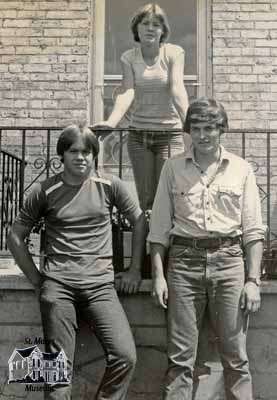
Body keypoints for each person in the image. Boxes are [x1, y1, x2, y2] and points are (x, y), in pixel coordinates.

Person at [7, 124, 145, 400]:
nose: (80, 157)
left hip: (100, 288)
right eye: (73, 151)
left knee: (125, 355)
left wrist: (134, 270)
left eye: (87, 151)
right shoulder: (46, 190)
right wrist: (37, 280)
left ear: (94, 155)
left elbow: (139, 222)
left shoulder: (110, 186)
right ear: (62, 155)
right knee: (58, 376)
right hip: (59, 288)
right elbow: (15, 235)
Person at [148, 97, 266, 400]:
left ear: (221, 129)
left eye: (210, 128)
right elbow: (159, 229)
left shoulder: (240, 169)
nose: (202, 135)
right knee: (180, 358)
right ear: (189, 131)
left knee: (235, 355)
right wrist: (159, 276)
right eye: (196, 128)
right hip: (184, 265)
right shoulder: (172, 169)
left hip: (229, 264)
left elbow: (253, 231)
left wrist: (253, 281)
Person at [93, 3, 190, 211]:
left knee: (170, 196)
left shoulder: (174, 53)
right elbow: (128, 91)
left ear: (163, 30)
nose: (150, 28)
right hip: (139, 135)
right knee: (146, 200)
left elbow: (176, 88)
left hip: (169, 134)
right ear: (136, 28)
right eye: (145, 23)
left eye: (156, 24)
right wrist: (111, 122)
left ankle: (169, 243)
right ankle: (150, 243)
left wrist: (190, 122)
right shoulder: (129, 57)